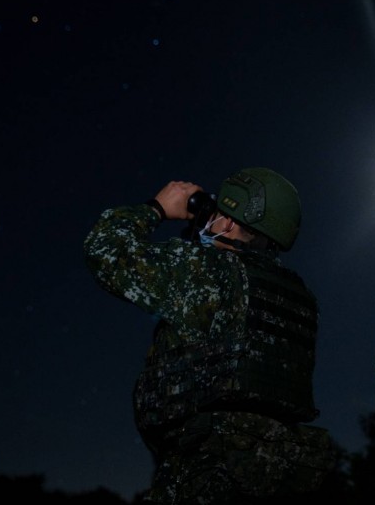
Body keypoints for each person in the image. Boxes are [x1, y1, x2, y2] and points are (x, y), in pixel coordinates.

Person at [84, 167, 335, 504]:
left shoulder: (204, 273)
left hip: (207, 469)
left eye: (218, 213)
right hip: (285, 468)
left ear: (229, 223)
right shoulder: (303, 298)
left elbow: (104, 249)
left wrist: (156, 208)